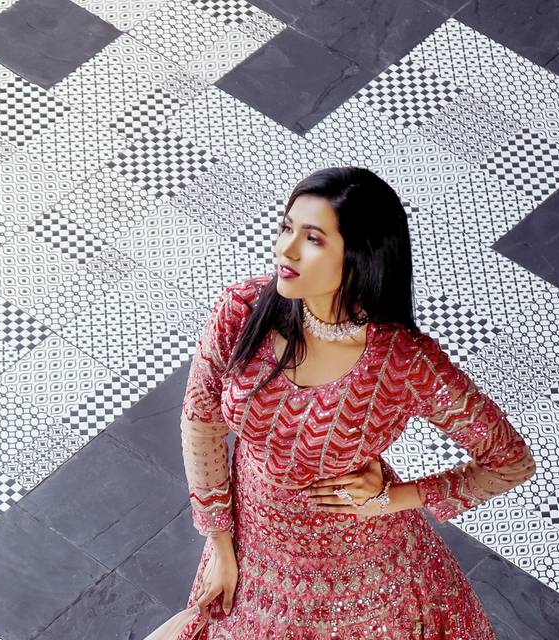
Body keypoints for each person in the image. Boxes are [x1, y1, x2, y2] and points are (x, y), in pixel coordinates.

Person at [176, 167, 537, 639]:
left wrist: (395, 498)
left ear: (359, 256)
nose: (286, 249)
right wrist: (221, 543)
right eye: (287, 228)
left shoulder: (404, 362)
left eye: (313, 238)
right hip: (253, 546)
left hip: (361, 573)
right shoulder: (245, 309)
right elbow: (201, 423)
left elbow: (509, 462)